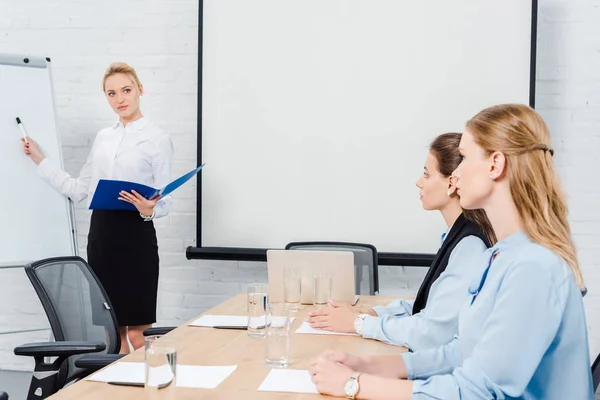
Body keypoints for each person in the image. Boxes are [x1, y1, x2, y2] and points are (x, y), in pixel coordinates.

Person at [309, 104, 593, 399]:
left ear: (495, 164)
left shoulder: (533, 267)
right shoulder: (499, 256)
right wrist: (368, 364)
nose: (455, 174)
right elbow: (462, 353)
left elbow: (477, 391)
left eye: (465, 157)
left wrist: (353, 384)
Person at [22, 62, 173, 354]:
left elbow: (165, 200)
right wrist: (40, 159)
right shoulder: (104, 138)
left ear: (140, 89)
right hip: (102, 237)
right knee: (112, 335)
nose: (120, 99)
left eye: (126, 90)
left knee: (139, 335)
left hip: (136, 237)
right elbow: (80, 189)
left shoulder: (158, 139)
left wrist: (148, 208)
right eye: (111, 93)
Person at [308, 132, 494, 351]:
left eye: (426, 174)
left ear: (452, 183)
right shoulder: (456, 235)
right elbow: (427, 309)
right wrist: (370, 314)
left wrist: (358, 323)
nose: (419, 182)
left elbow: (432, 332)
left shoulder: (470, 246)